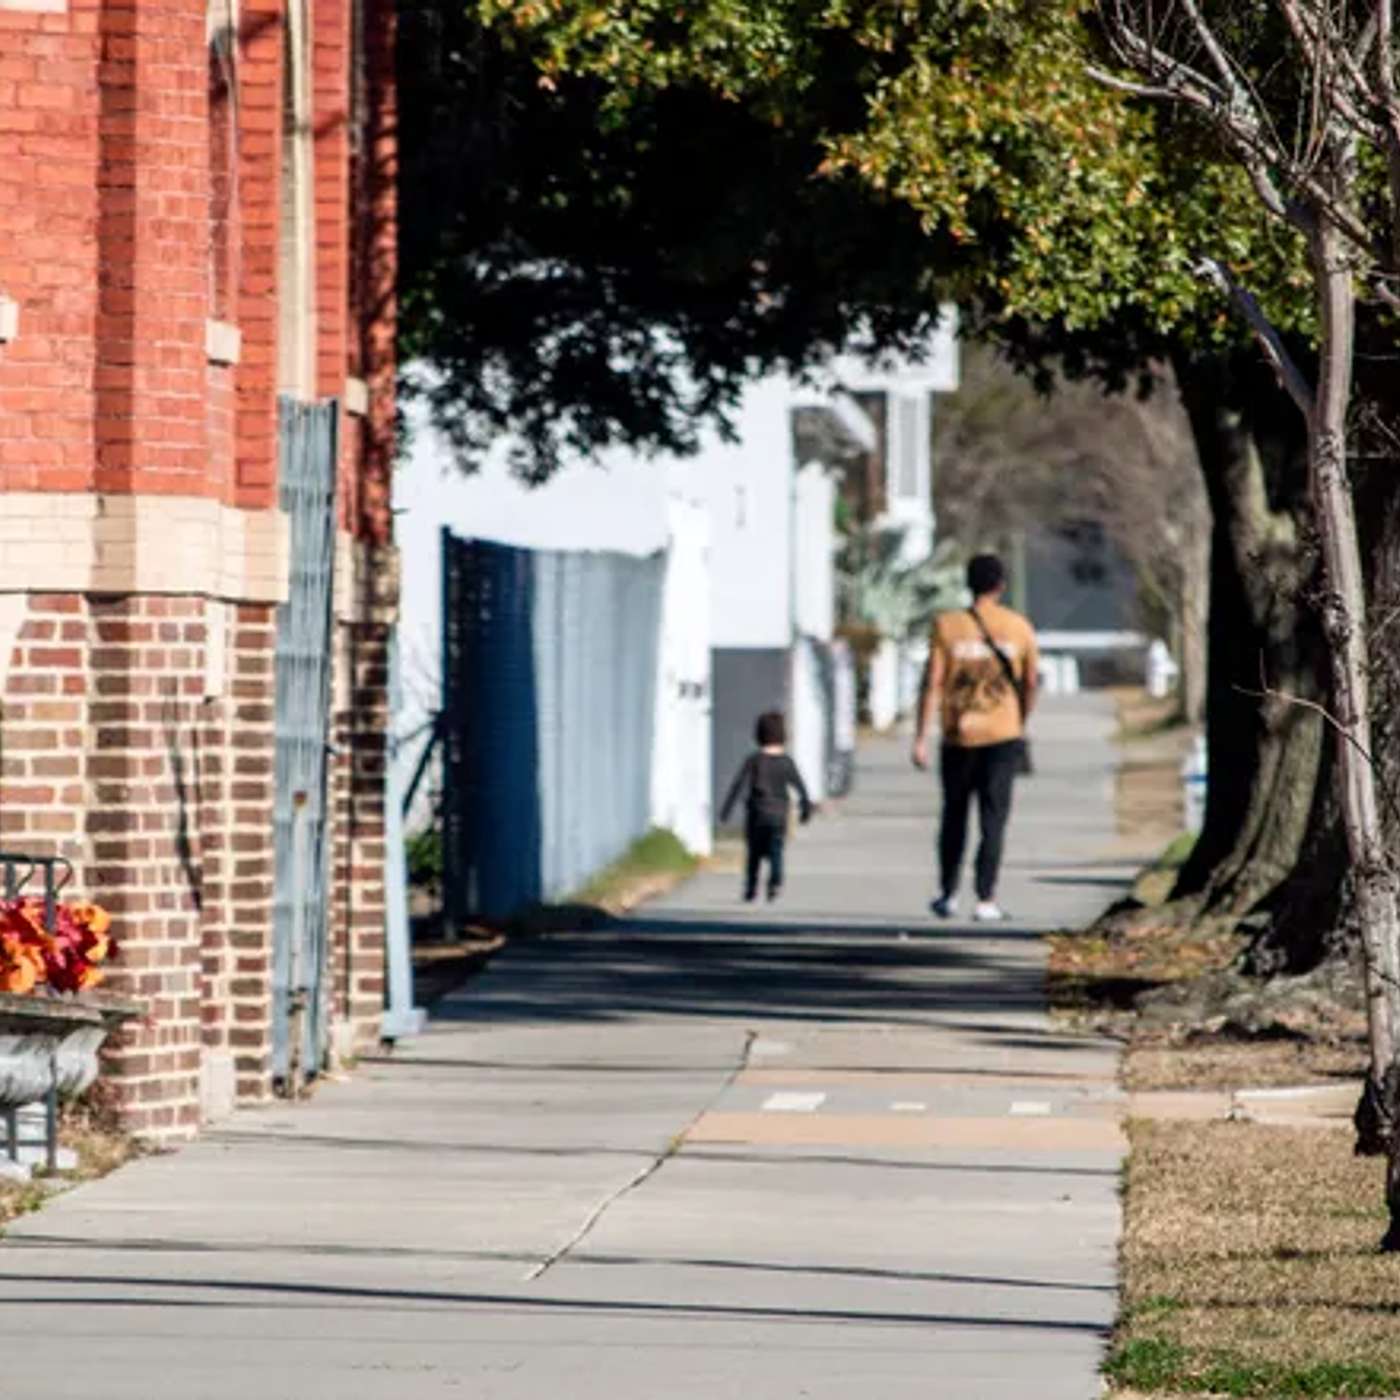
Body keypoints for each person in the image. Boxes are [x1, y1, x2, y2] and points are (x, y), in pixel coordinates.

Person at [912, 553, 1038, 922]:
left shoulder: (947, 626)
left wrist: (921, 736)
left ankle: (947, 893)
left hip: (959, 735)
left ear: (968, 583)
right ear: (1000, 585)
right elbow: (1030, 682)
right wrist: (1020, 718)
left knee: (954, 815)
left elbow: (932, 683)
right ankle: (986, 898)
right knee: (994, 818)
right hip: (1003, 735)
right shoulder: (1019, 627)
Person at [720, 711, 813, 902]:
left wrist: (726, 811)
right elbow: (800, 787)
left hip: (756, 814)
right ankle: (775, 883)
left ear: (759, 734)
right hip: (779, 815)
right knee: (776, 850)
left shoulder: (753, 761)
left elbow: (739, 784)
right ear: (783, 736)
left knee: (754, 853)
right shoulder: (787, 762)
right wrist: (805, 809)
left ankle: (751, 887)